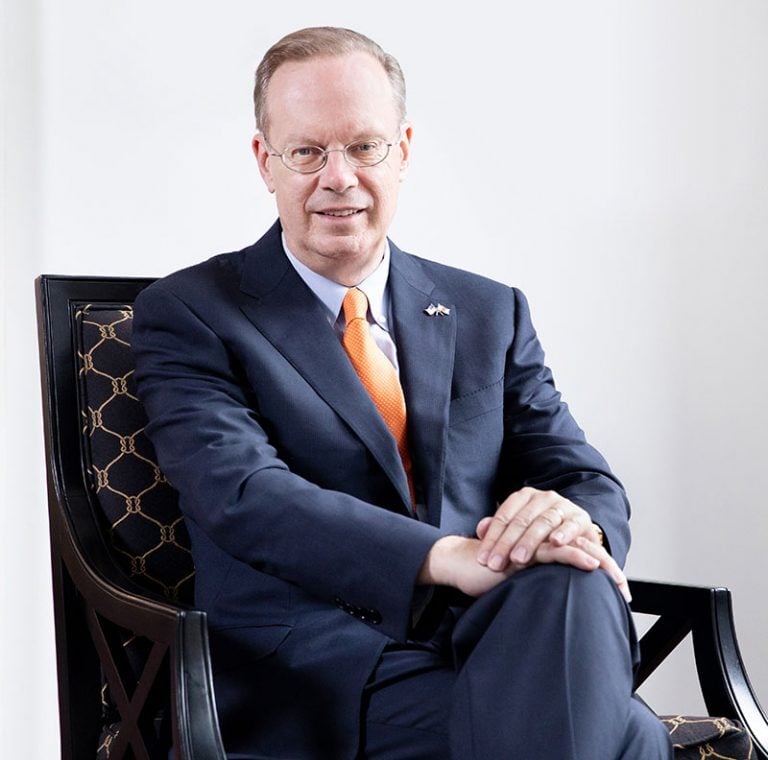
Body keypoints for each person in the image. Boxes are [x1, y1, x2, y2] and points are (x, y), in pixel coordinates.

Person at [133, 26, 673, 759]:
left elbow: (578, 472)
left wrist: (570, 522)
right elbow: (244, 494)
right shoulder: (192, 312)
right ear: (265, 162)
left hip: (490, 637)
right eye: (307, 151)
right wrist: (442, 555)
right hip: (311, 669)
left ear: (404, 150)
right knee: (629, 736)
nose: (339, 176)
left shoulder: (490, 310)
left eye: (364, 146)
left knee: (569, 575)